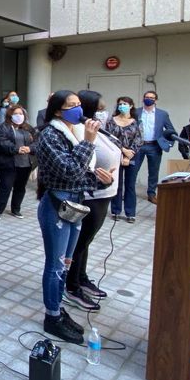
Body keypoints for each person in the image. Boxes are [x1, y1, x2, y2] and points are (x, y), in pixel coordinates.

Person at [34, 91, 114, 344]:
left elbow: (81, 174)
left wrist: (102, 180)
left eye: (79, 104)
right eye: (72, 106)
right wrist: (89, 141)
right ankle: (52, 316)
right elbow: (69, 170)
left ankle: (59, 308)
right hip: (57, 205)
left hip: (75, 204)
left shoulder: (74, 132)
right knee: (55, 264)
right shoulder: (49, 135)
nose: (78, 109)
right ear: (58, 111)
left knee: (67, 262)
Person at [64, 91, 119, 312]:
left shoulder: (97, 129)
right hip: (90, 195)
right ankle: (71, 286)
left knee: (85, 243)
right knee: (79, 243)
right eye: (99, 109)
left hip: (105, 193)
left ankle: (82, 277)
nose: (103, 114)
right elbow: (78, 161)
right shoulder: (80, 130)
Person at [0, 104, 35, 220]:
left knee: (20, 188)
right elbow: (2, 142)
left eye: (21, 114)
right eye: (16, 114)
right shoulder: (3, 127)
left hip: (25, 163)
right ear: (10, 115)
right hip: (9, 163)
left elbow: (37, 141)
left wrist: (30, 148)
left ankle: (16, 209)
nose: (19, 116)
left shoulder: (28, 128)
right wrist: (17, 149)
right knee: (5, 186)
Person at [132, 90, 175, 204]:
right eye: (147, 97)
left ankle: (151, 194)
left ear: (156, 100)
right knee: (133, 170)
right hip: (138, 145)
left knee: (153, 171)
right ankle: (129, 192)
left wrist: (168, 143)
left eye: (151, 97)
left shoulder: (162, 114)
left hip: (154, 146)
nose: (149, 99)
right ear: (143, 98)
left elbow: (170, 130)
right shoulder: (136, 112)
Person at [107, 96, 142, 223]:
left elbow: (139, 140)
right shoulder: (111, 121)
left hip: (132, 155)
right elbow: (109, 137)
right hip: (116, 154)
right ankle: (115, 210)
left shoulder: (137, 122)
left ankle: (130, 213)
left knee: (130, 185)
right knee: (117, 183)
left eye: (125, 104)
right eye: (120, 104)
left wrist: (128, 154)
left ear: (131, 106)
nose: (122, 106)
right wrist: (122, 151)